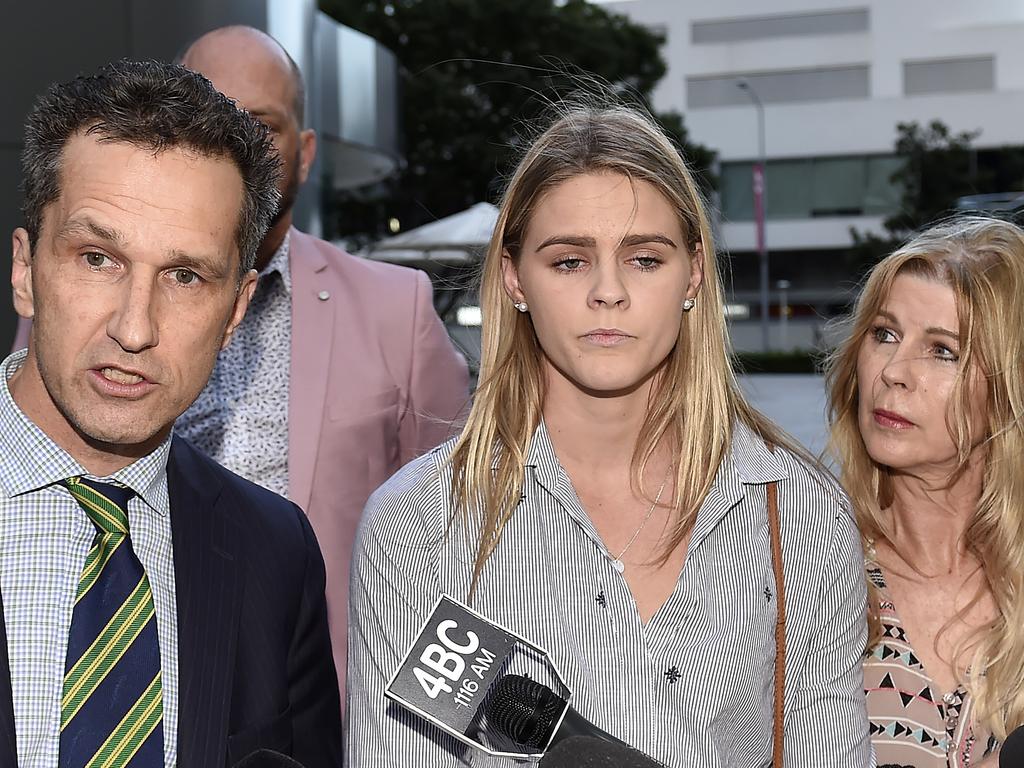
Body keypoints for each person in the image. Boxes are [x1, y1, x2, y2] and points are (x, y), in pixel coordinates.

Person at [347, 102, 872, 767]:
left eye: (644, 258)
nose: (608, 292)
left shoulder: (803, 515)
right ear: (514, 279)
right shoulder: (418, 526)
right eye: (569, 261)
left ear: (694, 273)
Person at [13, 25, 471, 698]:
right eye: (99, 260)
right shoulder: (72, 309)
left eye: (257, 122)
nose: (134, 329)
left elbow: (454, 528)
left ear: (304, 151)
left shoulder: (394, 306)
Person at [1, 60, 341, 767]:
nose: (135, 327)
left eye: (186, 277)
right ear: (26, 271)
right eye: (98, 258)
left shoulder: (274, 555)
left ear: (237, 309)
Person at [826, 216, 1024, 767]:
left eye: (943, 351)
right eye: (884, 334)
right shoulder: (802, 568)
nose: (893, 371)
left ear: (1011, 387)